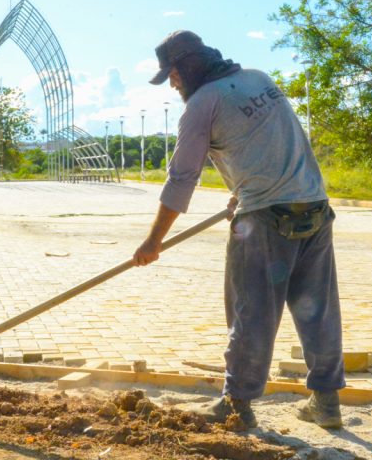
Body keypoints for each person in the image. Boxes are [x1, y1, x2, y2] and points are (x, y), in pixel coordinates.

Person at [132, 30, 345, 429]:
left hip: (265, 221)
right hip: (314, 206)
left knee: (252, 313)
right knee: (318, 311)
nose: (173, 83)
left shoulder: (201, 104)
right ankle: (327, 403)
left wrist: (153, 241)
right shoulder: (259, 79)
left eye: (173, 74)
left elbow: (182, 179)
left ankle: (237, 406)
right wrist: (242, 193)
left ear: (189, 67)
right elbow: (281, 142)